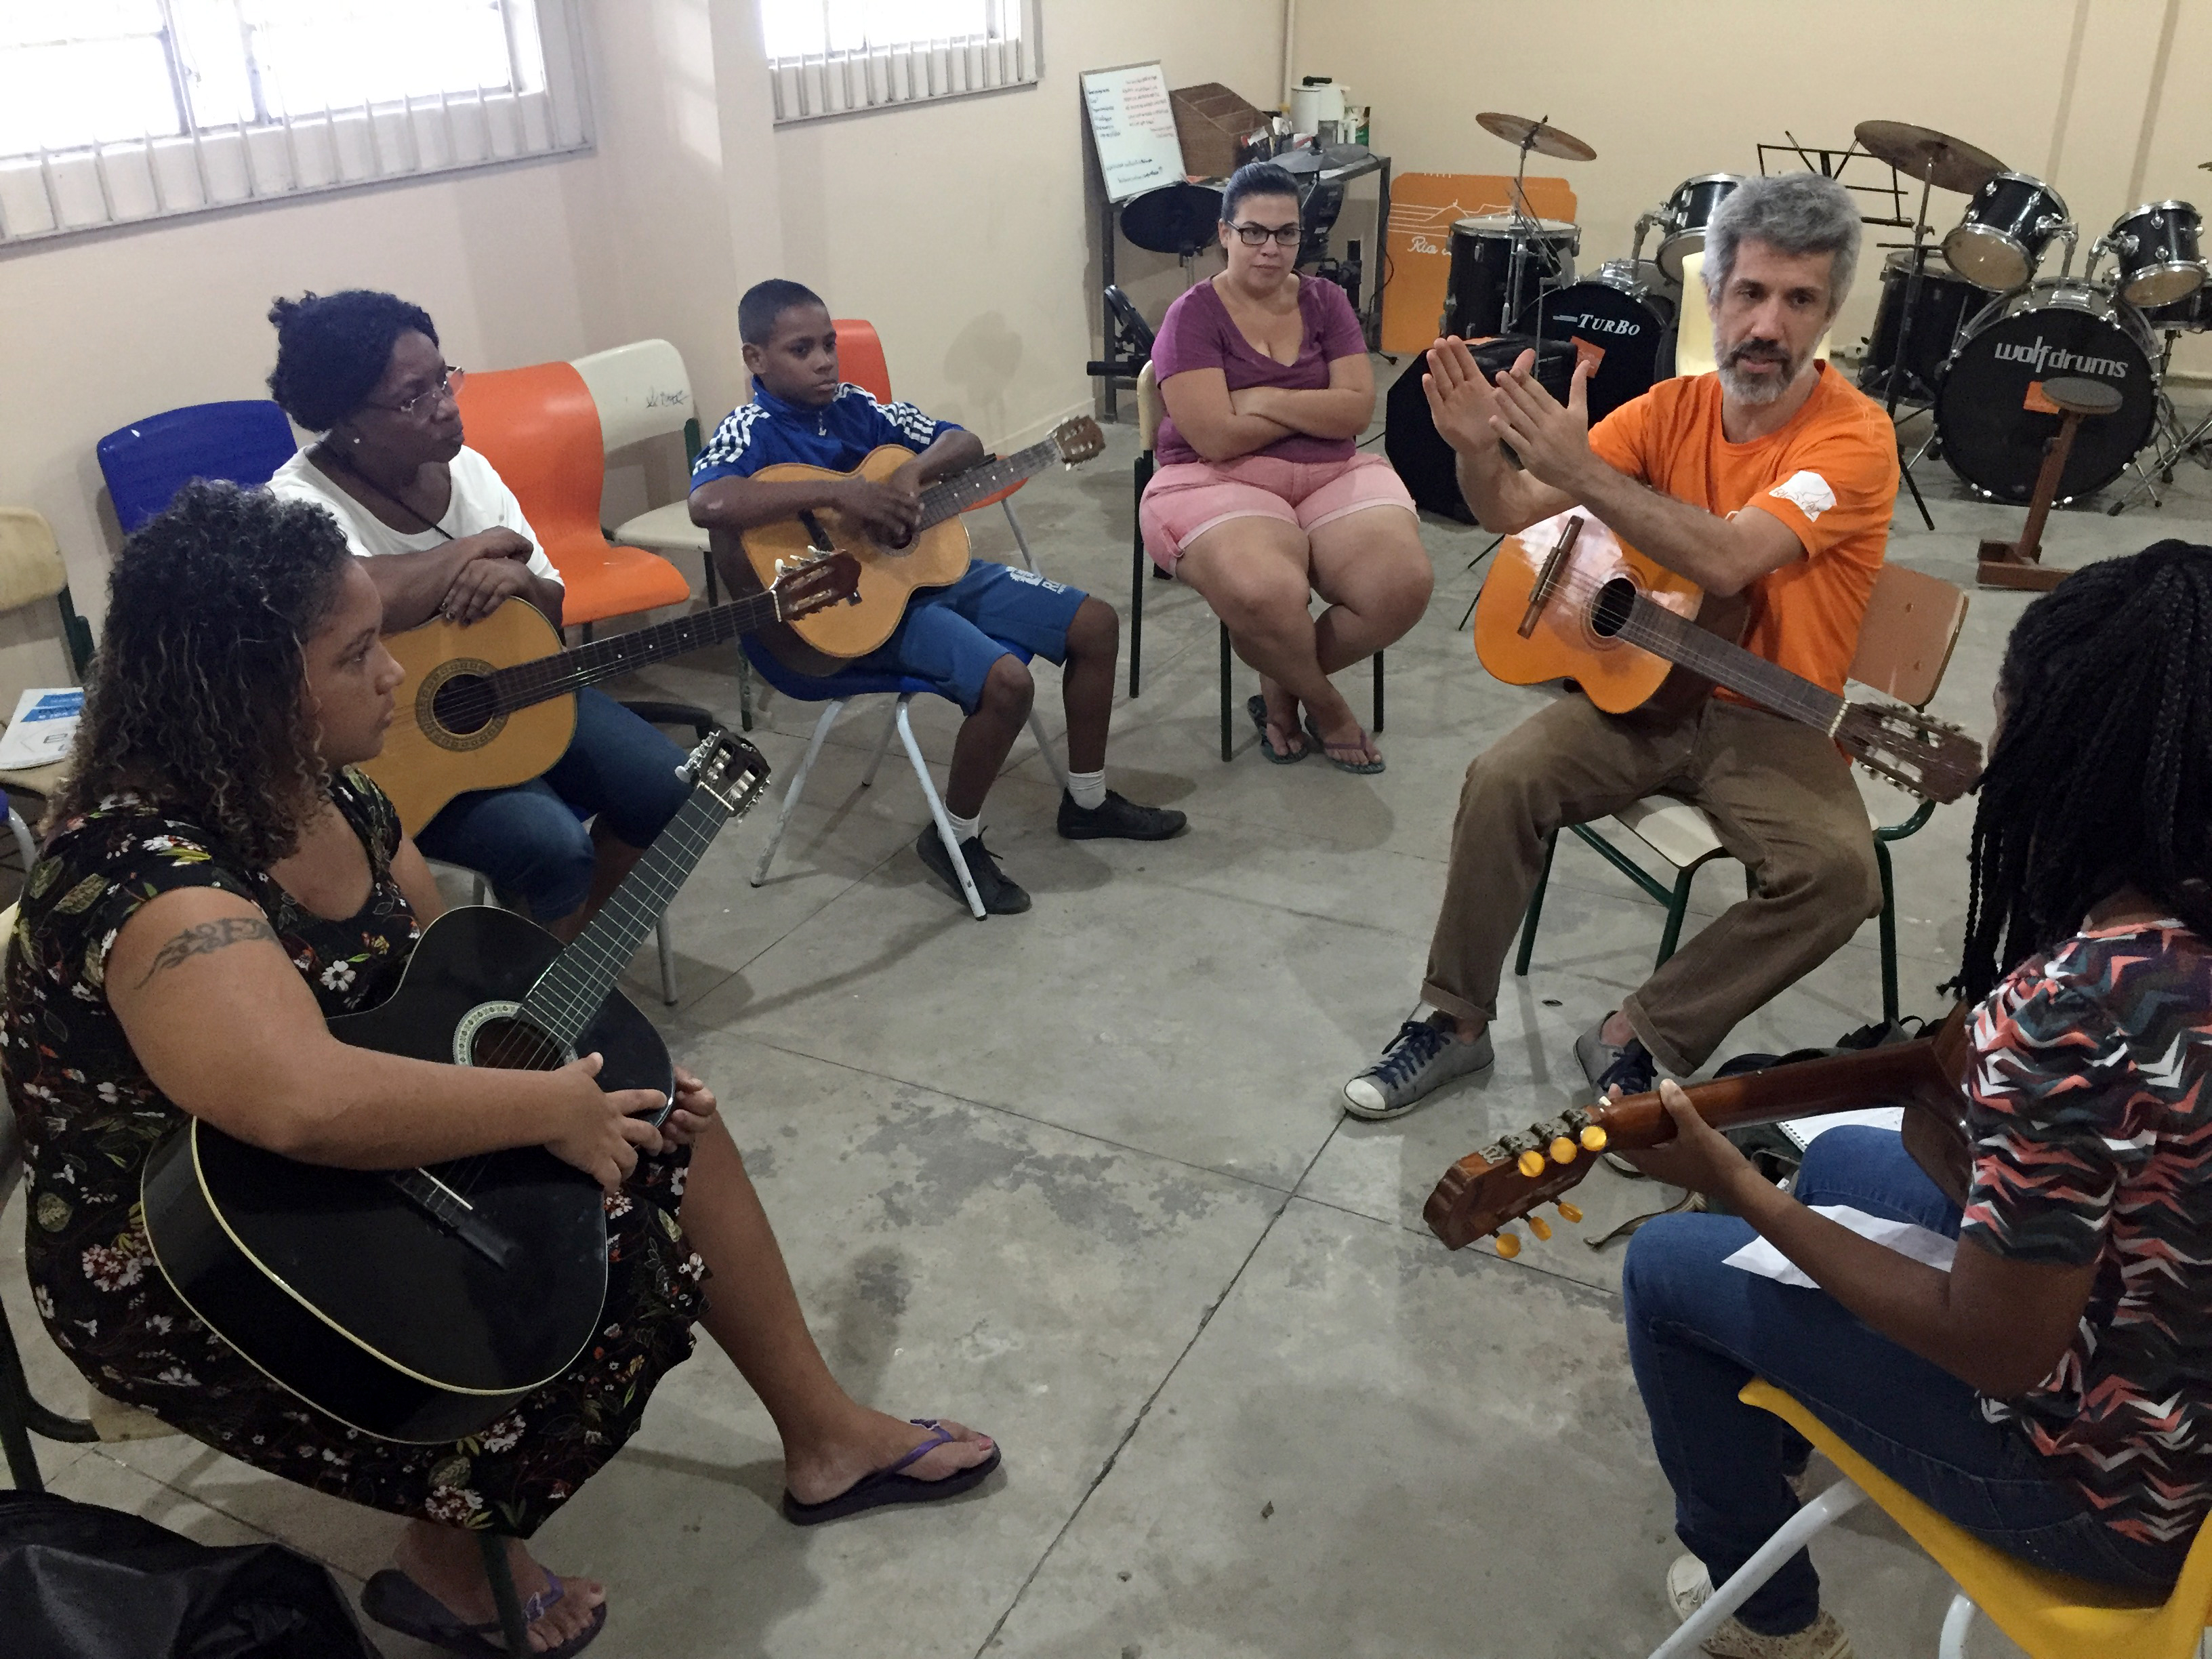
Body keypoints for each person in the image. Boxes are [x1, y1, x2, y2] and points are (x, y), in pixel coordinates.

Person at [5, 483, 1000, 1658]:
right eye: (358, 651)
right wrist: (541, 1105)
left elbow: (439, 986)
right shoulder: (149, 872)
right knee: (604, 1270)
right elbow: (297, 1098)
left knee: (667, 1130)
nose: (394, 675)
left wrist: (582, 1081)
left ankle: (828, 1435)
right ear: (249, 693)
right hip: (185, 1244)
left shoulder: (336, 794)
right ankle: (448, 1557)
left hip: (310, 1169)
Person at [1616, 541, 2212, 1659]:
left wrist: (1736, 1184)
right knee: (1845, 1162)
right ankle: (1791, 1414)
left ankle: (1768, 1618)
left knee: (1664, 1268)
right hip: (2171, 1349)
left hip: (2118, 1495)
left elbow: (1995, 1348)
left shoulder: (2075, 1009)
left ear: (2067, 751)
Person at [1343, 172, 1900, 1120]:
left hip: (1773, 719)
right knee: (1501, 779)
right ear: (1715, 297)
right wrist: (1480, 452)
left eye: (1799, 300)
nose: (1768, 324)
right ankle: (1452, 1024)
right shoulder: (1667, 411)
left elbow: (1728, 561)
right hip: (1639, 697)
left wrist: (1582, 470)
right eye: (1750, 293)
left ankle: (1639, 1034)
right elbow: (1518, 513)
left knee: (1839, 879)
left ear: (1830, 313)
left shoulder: (1854, 439)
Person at [687, 279, 1185, 916]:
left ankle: (1087, 803)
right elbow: (711, 502)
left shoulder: (856, 406)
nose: (823, 361)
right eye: (800, 349)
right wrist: (840, 494)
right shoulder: (750, 430)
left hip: (923, 577)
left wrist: (908, 473)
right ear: (756, 359)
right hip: (845, 616)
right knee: (1007, 685)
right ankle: (954, 837)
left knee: (1095, 624)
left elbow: (964, 442)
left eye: (829, 345)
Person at [264, 289, 688, 941]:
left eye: (445, 379)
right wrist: (469, 552)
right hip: (399, 742)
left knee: (667, 787)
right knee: (550, 845)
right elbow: (348, 598)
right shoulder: (297, 506)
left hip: (518, 686)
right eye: (415, 396)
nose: (446, 406)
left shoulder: (470, 471)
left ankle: (574, 960)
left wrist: (517, 578)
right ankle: (531, 996)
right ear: (348, 418)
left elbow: (550, 611)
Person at [1139, 161, 1433, 772]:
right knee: (1266, 592)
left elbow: (1356, 411)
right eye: (1253, 232)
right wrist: (1312, 409)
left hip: (1333, 470)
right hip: (1215, 478)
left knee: (1402, 586)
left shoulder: (1327, 301)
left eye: (1286, 234)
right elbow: (1215, 437)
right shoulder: (1192, 315)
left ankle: (1281, 681)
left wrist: (1264, 399)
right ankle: (1326, 706)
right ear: (1224, 234)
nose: (1271, 249)